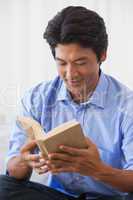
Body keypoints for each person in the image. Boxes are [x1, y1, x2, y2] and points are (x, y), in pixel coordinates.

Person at [0, 6, 133, 200]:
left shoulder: (127, 106)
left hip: (113, 198)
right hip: (59, 196)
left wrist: (98, 170)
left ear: (102, 55)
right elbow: (14, 173)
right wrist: (25, 160)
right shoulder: (37, 98)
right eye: (62, 63)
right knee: (3, 187)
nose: (70, 75)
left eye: (80, 62)